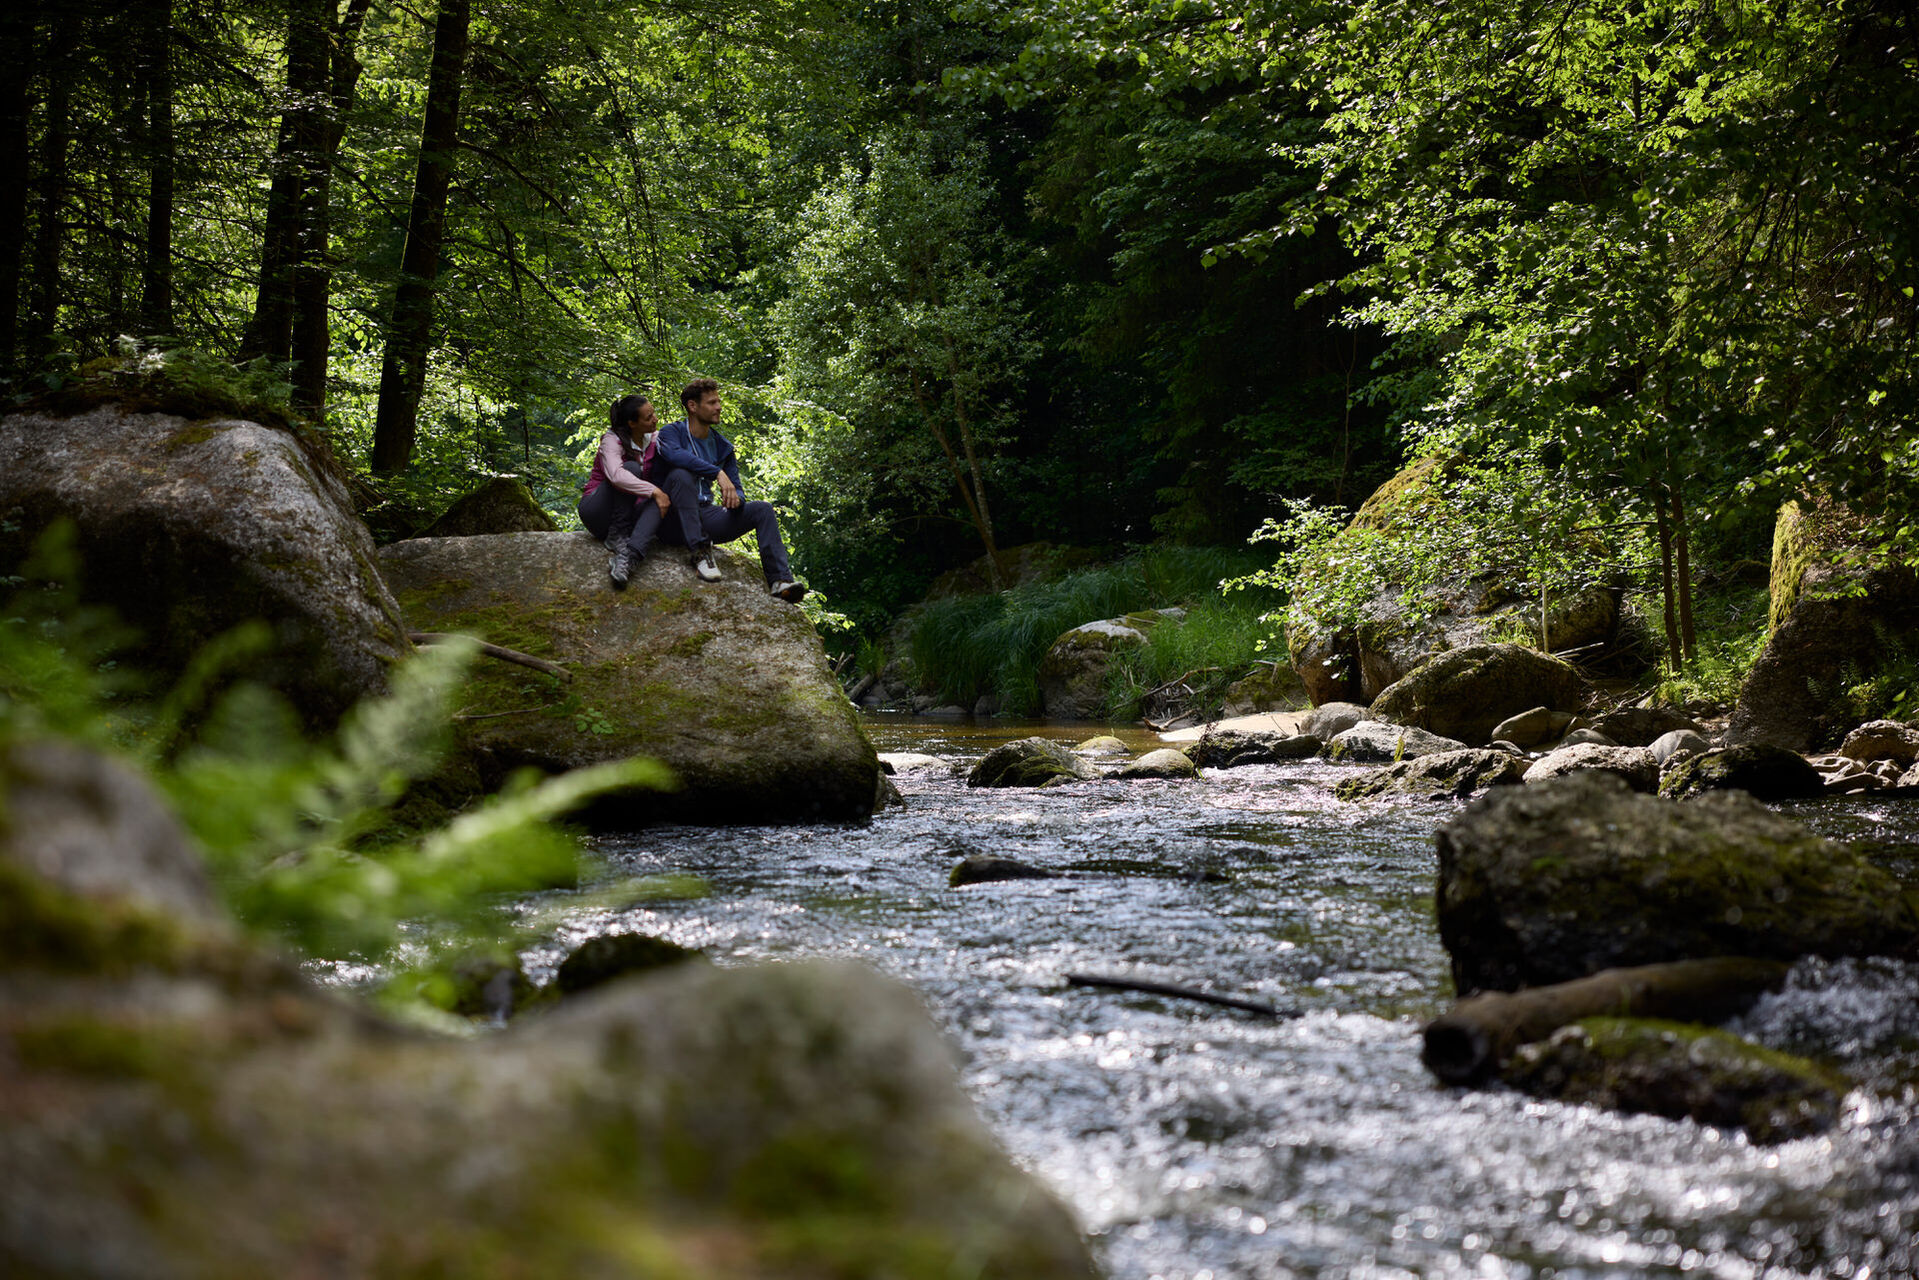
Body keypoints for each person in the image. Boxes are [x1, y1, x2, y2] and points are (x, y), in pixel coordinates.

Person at [650, 378, 807, 603]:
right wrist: (716, 473)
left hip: (705, 514)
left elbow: (737, 488)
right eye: (712, 403)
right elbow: (675, 456)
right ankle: (701, 553)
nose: (719, 407)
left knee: (762, 509)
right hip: (672, 519)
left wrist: (736, 499)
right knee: (680, 475)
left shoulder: (723, 446)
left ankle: (780, 581)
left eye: (718, 402)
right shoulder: (671, 433)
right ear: (693, 406)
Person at [576, 393, 667, 588]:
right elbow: (616, 476)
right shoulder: (612, 440)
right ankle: (617, 535)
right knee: (631, 469)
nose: (655, 419)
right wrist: (654, 491)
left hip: (629, 515)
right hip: (597, 511)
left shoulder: (655, 439)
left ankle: (629, 554)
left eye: (654, 414)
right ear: (632, 423)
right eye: (648, 417)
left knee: (663, 498)